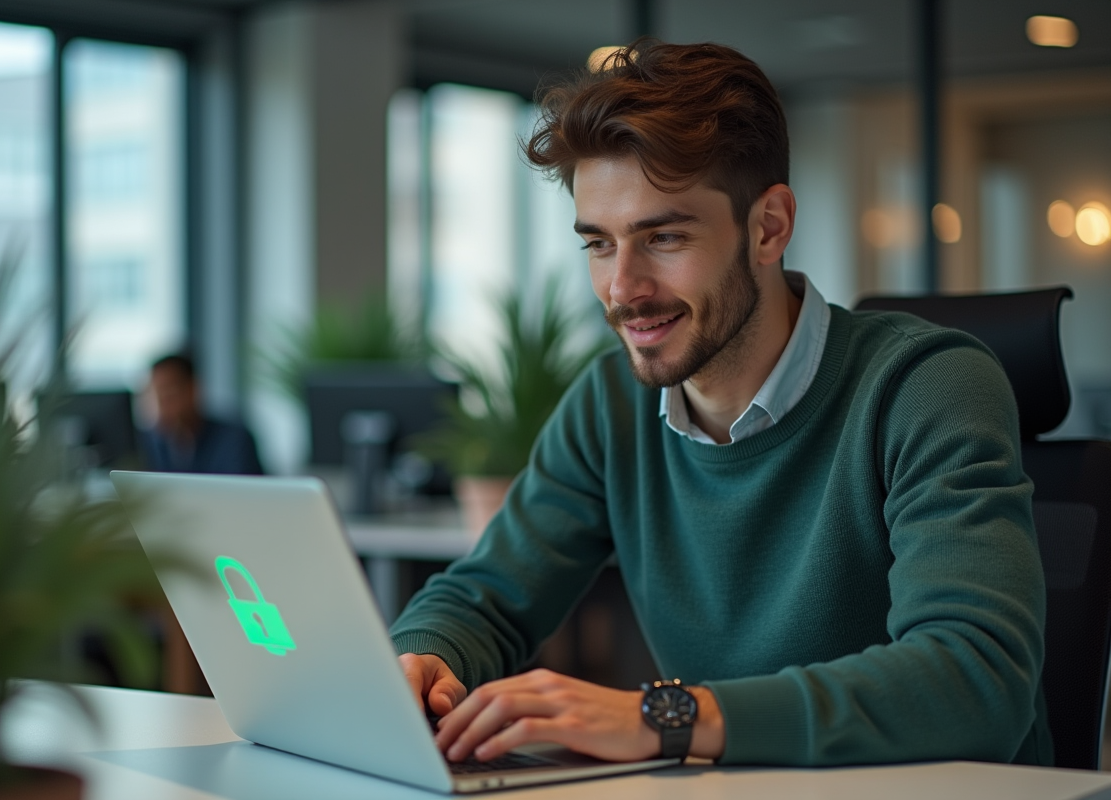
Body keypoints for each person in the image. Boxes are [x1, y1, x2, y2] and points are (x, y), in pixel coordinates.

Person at [389, 40, 1051, 768]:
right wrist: (421, 662)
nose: (622, 289)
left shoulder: (925, 386)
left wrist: (665, 717)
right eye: (599, 246)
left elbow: (977, 681)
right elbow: (486, 597)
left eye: (663, 237)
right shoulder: (609, 405)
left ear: (768, 227)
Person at [140, 353, 265, 476]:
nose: (160, 406)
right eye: (152, 396)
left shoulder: (234, 441)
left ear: (193, 389)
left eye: (168, 393)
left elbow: (245, 492)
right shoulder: (147, 445)